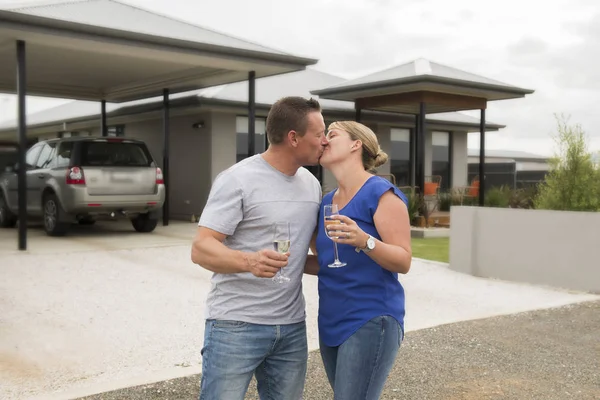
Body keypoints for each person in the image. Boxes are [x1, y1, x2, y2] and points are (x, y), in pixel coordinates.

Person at [191, 96, 328, 400]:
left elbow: (318, 255)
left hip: (291, 327)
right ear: (293, 138)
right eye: (319, 134)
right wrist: (248, 261)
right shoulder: (237, 179)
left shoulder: (311, 184)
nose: (325, 141)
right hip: (235, 325)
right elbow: (201, 248)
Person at [305, 121, 412, 399]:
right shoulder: (327, 202)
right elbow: (329, 263)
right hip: (331, 320)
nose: (324, 140)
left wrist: (365, 241)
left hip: (371, 317)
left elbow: (403, 260)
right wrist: (288, 262)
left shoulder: (380, 193)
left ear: (356, 145)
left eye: (332, 134)